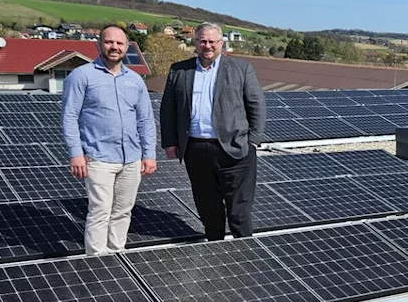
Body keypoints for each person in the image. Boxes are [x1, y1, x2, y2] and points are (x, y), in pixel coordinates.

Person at [160, 22, 266, 240]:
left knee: (239, 211)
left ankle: (244, 252)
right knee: (208, 208)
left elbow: (257, 105)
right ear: (195, 42)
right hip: (196, 150)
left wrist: (253, 142)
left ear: (221, 43)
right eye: (202, 41)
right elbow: (167, 109)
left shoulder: (241, 69)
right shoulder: (179, 71)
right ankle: (215, 248)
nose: (207, 46)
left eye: (212, 41)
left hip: (235, 150)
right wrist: (170, 143)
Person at [62, 25, 157, 255]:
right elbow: (69, 116)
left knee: (123, 211)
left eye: (119, 43)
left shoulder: (135, 80)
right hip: (98, 158)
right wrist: (76, 153)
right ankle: (96, 260)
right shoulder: (82, 76)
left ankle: (116, 254)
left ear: (126, 47)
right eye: (109, 42)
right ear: (98, 45)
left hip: (131, 159)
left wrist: (149, 154)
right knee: (100, 211)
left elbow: (145, 120)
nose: (114, 47)